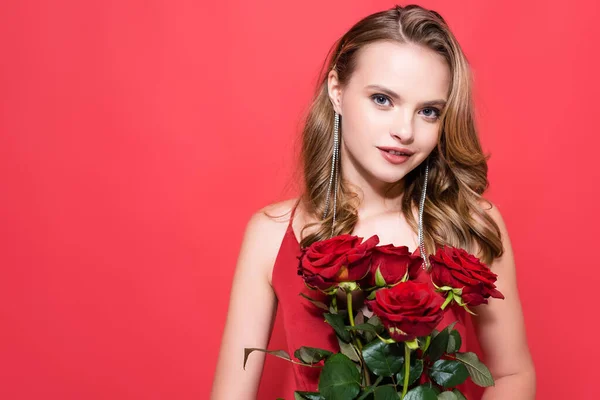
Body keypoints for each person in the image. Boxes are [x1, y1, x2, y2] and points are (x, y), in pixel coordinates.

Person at [211, 4, 536, 399]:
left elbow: (512, 374)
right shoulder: (271, 233)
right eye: (383, 99)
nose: (404, 130)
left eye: (428, 111)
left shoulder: (470, 225)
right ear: (337, 90)